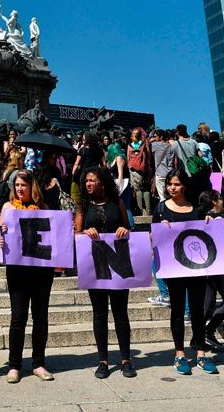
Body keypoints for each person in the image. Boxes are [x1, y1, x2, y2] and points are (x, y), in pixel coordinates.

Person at [152, 169, 218, 375]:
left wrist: (209, 222)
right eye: (170, 184)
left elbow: (206, 234)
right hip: (174, 268)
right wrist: (160, 229)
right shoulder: (161, 208)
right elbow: (153, 239)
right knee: (178, 310)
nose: (173, 187)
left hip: (196, 267)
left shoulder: (196, 209)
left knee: (197, 310)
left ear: (184, 187)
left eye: (177, 184)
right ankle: (179, 354)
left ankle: (200, 353)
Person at [75, 167, 136, 378]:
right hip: (96, 265)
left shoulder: (116, 202)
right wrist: (84, 232)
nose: (88, 184)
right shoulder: (82, 206)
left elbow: (129, 228)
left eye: (92, 180)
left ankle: (126, 359)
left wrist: (124, 230)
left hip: (118, 264)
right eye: (86, 181)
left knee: (121, 312)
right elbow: (76, 234)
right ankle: (103, 360)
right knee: (99, 313)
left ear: (102, 182)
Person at [0, 171, 55, 383]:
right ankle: (14, 365)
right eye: (18, 185)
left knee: (40, 316)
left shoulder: (44, 209)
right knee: (18, 317)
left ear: (33, 188)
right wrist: (0, 233)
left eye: (24, 185)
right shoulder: (8, 208)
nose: (20, 189)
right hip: (17, 270)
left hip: (41, 270)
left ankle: (39, 363)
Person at [196, 190, 224, 349]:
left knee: (209, 304)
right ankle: (208, 330)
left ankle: (197, 337)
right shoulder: (217, 220)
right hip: (216, 265)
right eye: (220, 198)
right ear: (213, 202)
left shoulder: (201, 219)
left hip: (205, 265)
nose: (222, 201)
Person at [127, 128, 152, 216]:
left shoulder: (130, 145)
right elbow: (149, 155)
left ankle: (141, 210)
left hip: (134, 169)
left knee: (137, 189)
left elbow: (128, 158)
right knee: (146, 188)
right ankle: (148, 210)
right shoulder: (144, 143)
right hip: (144, 168)